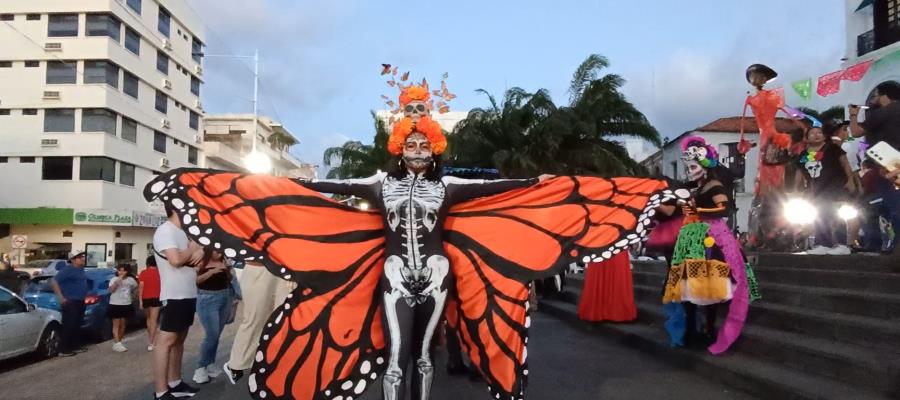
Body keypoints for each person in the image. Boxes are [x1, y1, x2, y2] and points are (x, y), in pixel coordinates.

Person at [144, 77, 676, 400]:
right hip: (393, 273)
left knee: (423, 352)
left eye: (426, 141)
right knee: (397, 353)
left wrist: (548, 184)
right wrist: (270, 186)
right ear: (401, 146)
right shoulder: (378, 183)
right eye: (411, 140)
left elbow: (519, 186)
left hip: (441, 271)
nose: (419, 146)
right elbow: (316, 185)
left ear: (435, 146)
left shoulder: (451, 184)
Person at [660, 136, 756, 354]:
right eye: (688, 166)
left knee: (710, 287)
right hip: (692, 239)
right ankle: (692, 328)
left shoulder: (713, 185)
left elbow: (725, 208)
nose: (690, 170)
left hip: (711, 239)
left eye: (693, 166)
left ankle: (708, 329)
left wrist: (698, 212)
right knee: (688, 287)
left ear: (703, 165)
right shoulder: (695, 187)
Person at [152, 203, 204, 400]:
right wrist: (192, 249)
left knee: (179, 340)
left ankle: (175, 382)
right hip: (174, 294)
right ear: (177, 209)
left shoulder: (182, 233)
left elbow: (193, 260)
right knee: (166, 341)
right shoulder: (166, 230)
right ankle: (161, 390)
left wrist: (195, 252)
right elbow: (175, 260)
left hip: (188, 292)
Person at [222, 261, 293, 385]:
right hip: (259, 268)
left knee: (283, 321)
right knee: (254, 318)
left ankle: (273, 365)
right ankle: (236, 363)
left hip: (287, 272)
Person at [794, 126, 858, 255]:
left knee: (836, 215)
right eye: (812, 133)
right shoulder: (805, 154)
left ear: (824, 136)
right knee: (820, 215)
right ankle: (823, 243)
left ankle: (841, 244)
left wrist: (850, 180)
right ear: (807, 137)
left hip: (835, 186)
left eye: (819, 132)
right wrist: (796, 188)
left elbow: (845, 164)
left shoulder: (833, 149)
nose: (816, 135)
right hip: (816, 189)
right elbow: (800, 171)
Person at [192, 249, 234, 384]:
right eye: (216, 251)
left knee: (217, 334)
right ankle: (200, 368)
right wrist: (212, 272)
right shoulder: (200, 263)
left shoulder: (223, 262)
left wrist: (228, 269)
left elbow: (230, 279)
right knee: (211, 334)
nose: (219, 253)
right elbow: (196, 281)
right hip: (207, 298)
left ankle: (210, 363)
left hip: (224, 296)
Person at [577, 251, 637, 322]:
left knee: (612, 275)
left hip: (605, 247)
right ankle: (612, 311)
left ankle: (602, 310)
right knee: (616, 275)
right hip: (607, 247)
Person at [51, 250, 88, 357]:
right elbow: (54, 281)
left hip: (80, 301)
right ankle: (63, 349)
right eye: (79, 257)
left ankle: (74, 345)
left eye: (83, 256)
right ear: (73, 260)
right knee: (69, 325)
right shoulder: (67, 270)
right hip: (71, 301)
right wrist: (60, 297)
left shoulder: (81, 269)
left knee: (77, 324)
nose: (82, 258)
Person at [849, 81, 900, 150]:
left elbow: (856, 132)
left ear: (884, 96)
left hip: (885, 157)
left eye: (876, 95)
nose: (874, 97)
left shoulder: (883, 112)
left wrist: (853, 114)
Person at [108, 264, 138, 352]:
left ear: (127, 271)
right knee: (116, 323)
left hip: (126, 304)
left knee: (123, 324)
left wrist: (134, 295)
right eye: (119, 270)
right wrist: (117, 282)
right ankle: (117, 343)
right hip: (115, 304)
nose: (121, 272)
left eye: (123, 270)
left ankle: (118, 342)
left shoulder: (131, 280)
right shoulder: (113, 279)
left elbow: (136, 288)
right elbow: (111, 290)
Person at [139, 255, 162, 352]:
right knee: (154, 321)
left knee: (148, 319)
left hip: (145, 298)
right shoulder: (160, 273)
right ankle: (151, 342)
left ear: (147, 263)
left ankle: (150, 338)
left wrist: (140, 301)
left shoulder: (143, 273)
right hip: (156, 298)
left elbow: (141, 287)